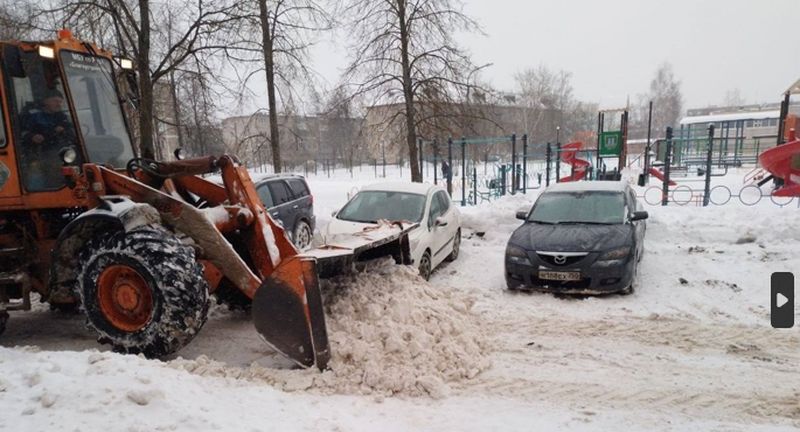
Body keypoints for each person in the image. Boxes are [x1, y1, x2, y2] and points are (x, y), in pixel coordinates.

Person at [20, 88, 77, 190]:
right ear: (46, 101)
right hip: (34, 153)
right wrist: (31, 137)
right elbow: (20, 132)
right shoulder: (31, 115)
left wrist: (63, 132)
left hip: (59, 152)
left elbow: (72, 134)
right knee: (41, 169)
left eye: (60, 102)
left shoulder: (62, 117)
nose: (59, 104)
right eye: (55, 101)